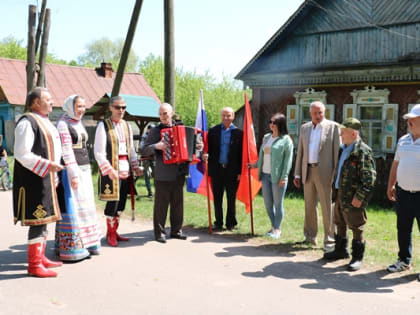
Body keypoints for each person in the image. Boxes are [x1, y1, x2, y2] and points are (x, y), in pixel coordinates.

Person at [13, 87, 64, 278]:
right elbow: (22, 153)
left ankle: (41, 257)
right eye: (47, 99)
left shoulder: (44, 121)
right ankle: (34, 265)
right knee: (38, 220)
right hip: (34, 180)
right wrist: (47, 165)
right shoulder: (27, 122)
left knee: (45, 220)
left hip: (46, 178)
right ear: (35, 102)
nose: (52, 102)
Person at [323, 118, 376, 271]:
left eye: (343, 132)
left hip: (353, 196)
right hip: (340, 192)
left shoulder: (363, 151)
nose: (341, 135)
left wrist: (360, 197)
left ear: (353, 133)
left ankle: (357, 257)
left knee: (357, 226)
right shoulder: (343, 148)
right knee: (339, 222)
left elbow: (369, 179)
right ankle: (340, 251)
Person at [55, 95, 102, 261]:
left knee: (86, 206)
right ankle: (73, 248)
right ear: (70, 106)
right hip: (71, 171)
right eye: (78, 106)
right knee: (74, 206)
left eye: (83, 106)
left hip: (84, 169)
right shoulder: (63, 123)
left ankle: (89, 243)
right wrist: (73, 174)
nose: (81, 109)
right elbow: (66, 151)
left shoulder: (77, 122)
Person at [94, 95, 142, 247]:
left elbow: (131, 150)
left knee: (121, 204)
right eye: (117, 107)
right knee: (112, 204)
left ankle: (114, 231)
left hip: (125, 170)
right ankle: (110, 234)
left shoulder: (127, 125)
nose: (121, 110)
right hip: (111, 170)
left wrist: (135, 166)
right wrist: (108, 169)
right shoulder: (103, 125)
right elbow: (99, 152)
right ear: (110, 108)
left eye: (123, 107)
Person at [293, 101, 340, 252]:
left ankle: (330, 239)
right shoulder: (304, 128)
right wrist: (297, 173)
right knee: (309, 205)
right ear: (310, 113)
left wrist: (335, 175)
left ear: (324, 112)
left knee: (327, 207)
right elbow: (300, 152)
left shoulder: (333, 127)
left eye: (320, 112)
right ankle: (310, 236)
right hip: (308, 171)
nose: (318, 116)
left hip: (325, 172)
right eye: (315, 113)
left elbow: (336, 154)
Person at [141, 103, 191, 243]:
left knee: (177, 204)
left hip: (179, 172)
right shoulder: (155, 131)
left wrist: (197, 148)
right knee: (161, 206)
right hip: (163, 173)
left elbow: (190, 147)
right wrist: (156, 146)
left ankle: (176, 230)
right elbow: (144, 150)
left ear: (172, 113)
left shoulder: (181, 128)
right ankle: (159, 233)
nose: (163, 116)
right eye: (161, 113)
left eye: (166, 113)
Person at [386, 104, 420, 277]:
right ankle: (404, 261)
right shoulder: (403, 140)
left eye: (413, 119)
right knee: (403, 229)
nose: (409, 122)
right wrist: (391, 184)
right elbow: (396, 164)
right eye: (408, 119)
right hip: (404, 193)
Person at [250, 113, 293, 239]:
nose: (271, 125)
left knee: (278, 204)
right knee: (268, 204)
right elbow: (262, 156)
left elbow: (287, 161)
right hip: (264, 175)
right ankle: (274, 226)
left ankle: (277, 229)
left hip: (277, 177)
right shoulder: (267, 137)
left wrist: (284, 177)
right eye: (270, 122)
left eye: (274, 122)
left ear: (280, 124)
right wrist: (253, 165)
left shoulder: (286, 140)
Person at [206, 107, 243, 231]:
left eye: (228, 115)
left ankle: (231, 223)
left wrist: (240, 172)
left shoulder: (239, 133)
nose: (226, 118)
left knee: (231, 198)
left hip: (232, 171)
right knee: (217, 197)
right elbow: (208, 149)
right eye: (224, 115)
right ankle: (218, 222)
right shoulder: (213, 131)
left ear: (233, 116)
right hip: (217, 170)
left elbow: (241, 155)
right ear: (221, 116)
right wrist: (205, 154)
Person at [139, 124, 155, 199]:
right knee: (146, 176)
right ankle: (150, 192)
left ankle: (157, 192)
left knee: (156, 175)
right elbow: (141, 147)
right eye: (151, 129)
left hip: (153, 158)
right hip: (146, 159)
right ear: (148, 130)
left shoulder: (154, 137)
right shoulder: (144, 137)